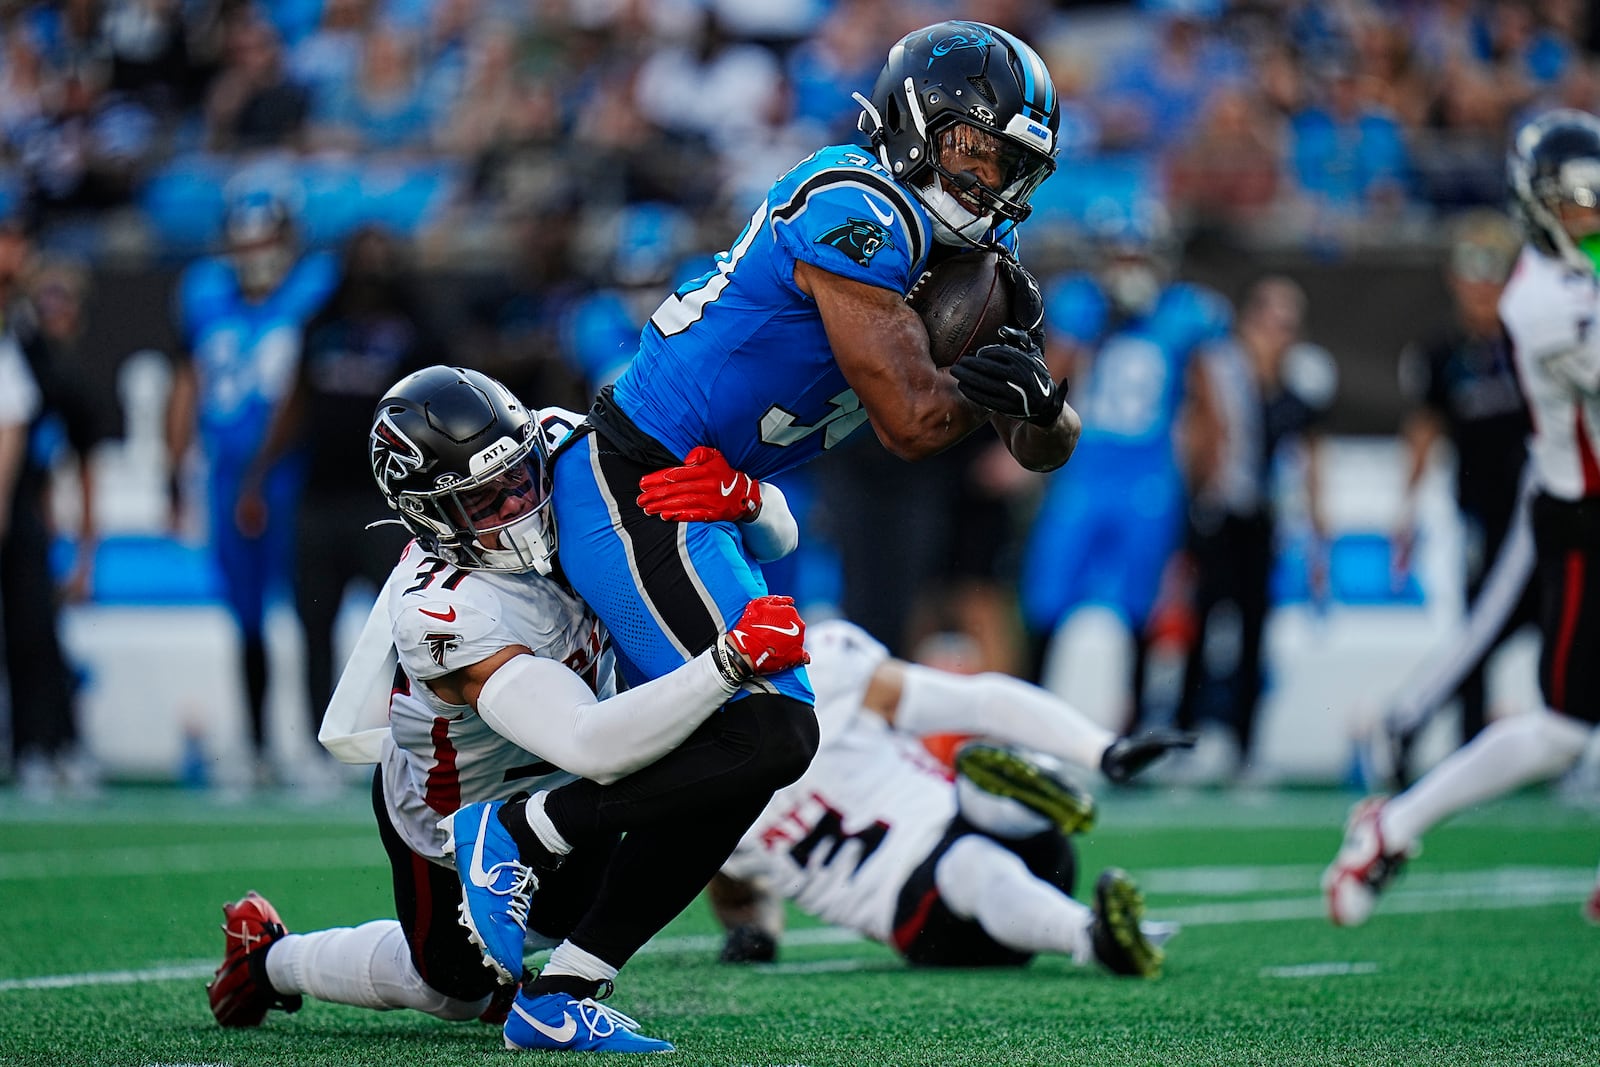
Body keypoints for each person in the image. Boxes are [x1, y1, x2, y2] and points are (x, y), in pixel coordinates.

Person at [439, 17, 1086, 1041]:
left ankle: (565, 985)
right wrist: (980, 393)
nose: (998, 175)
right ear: (922, 125)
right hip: (640, 479)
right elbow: (916, 421)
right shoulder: (857, 206)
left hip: (711, 496)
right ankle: (521, 831)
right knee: (767, 730)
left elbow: (1046, 440)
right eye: (980, 146)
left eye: (1015, 161)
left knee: (765, 742)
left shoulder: (973, 254)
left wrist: (1038, 404)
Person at [206, 366, 810, 1053]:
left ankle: (564, 983)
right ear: (429, 514)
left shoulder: (564, 450)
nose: (520, 503)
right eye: (485, 501)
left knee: (727, 761)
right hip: (456, 808)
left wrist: (752, 501)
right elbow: (588, 741)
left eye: (521, 477)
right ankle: (264, 957)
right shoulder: (447, 609)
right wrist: (727, 661)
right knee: (456, 991)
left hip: (566, 778)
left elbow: (777, 536)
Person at [1324, 109, 1600, 928]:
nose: (1590, 211)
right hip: (1584, 523)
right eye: (1576, 196)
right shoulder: (1543, 302)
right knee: (1556, 731)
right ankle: (1394, 821)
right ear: (1537, 202)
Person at [708, 618, 1192, 976]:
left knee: (979, 782)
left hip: (993, 835)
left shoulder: (813, 681)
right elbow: (736, 891)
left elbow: (975, 702)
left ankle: (1033, 803)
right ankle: (1090, 933)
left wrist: (1102, 750)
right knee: (968, 860)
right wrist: (753, 933)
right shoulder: (710, 796)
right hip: (929, 921)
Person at [1021, 198, 1231, 722]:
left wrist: (1206, 476)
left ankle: (1135, 724)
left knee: (1142, 608)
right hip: (1085, 475)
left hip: (1149, 480)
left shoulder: (1184, 314)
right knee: (1046, 599)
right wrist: (1094, 331)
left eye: (1138, 258)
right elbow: (1049, 386)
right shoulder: (1082, 308)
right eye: (1120, 257)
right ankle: (1027, 720)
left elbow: (1207, 406)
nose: (1129, 269)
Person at [236, 226, 438, 749]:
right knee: (314, 626)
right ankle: (315, 745)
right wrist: (257, 477)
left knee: (411, 628)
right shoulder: (321, 324)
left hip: (393, 503)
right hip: (320, 498)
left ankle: (420, 741)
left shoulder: (416, 327)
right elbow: (295, 402)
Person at [164, 186, 338, 787]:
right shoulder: (207, 297)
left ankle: (316, 744)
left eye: (267, 240)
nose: (257, 254)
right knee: (245, 618)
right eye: (246, 242)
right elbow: (187, 379)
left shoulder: (314, 292)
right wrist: (173, 467)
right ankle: (259, 744)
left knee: (310, 611)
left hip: (295, 476)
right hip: (224, 475)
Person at [1378, 210, 1535, 787]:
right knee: (1478, 637)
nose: (1483, 284)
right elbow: (1425, 429)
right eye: (1473, 269)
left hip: (1546, 510)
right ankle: (1448, 740)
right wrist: (1406, 508)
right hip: (1485, 513)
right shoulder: (1442, 351)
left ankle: (1557, 748)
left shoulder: (1531, 337)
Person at [1170, 276, 1336, 780]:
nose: (1278, 333)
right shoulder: (1219, 366)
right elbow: (1195, 434)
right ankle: (1185, 741)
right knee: (1202, 627)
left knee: (1254, 630)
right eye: (1271, 320)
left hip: (1263, 517)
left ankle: (1245, 748)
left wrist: (1317, 523)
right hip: (1218, 511)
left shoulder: (1299, 379)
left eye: (1287, 324)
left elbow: (1308, 451)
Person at [1, 224, 105, 796]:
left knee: (35, 633)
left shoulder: (64, 378)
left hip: (24, 514)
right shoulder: (21, 349)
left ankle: (45, 746)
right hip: (20, 503)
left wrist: (85, 553)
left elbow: (80, 466)